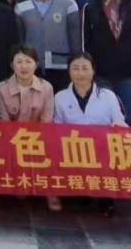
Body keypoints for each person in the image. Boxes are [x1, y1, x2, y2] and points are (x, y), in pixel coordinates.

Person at [53, 52, 126, 216]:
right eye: (75, 68)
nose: (80, 73)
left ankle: (106, 197)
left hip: (103, 150)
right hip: (73, 150)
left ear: (93, 71)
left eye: (85, 68)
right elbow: (57, 127)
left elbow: (119, 120)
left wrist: (118, 126)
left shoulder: (108, 96)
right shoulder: (60, 97)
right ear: (69, 71)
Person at [0, 44, 58, 211]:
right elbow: (4, 123)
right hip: (12, 140)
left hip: (39, 139)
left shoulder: (47, 87)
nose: (24, 66)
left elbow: (47, 121)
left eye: (28, 61)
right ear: (12, 65)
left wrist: (33, 141)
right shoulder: (1, 89)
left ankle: (50, 191)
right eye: (19, 62)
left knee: (52, 147)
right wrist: (20, 141)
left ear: (36, 64)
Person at [15, 0, 81, 91]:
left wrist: (75, 68)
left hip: (61, 69)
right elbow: (19, 40)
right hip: (31, 69)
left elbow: (76, 42)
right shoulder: (21, 6)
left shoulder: (68, 4)